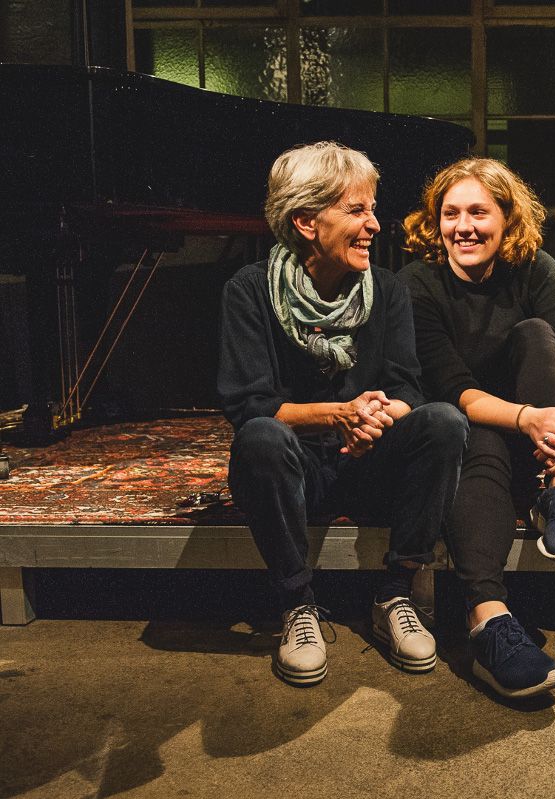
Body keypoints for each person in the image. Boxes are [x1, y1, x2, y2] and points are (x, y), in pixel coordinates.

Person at [218, 141, 468, 687]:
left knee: (444, 422)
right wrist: (339, 413)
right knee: (261, 437)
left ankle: (395, 594)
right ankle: (296, 605)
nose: (375, 224)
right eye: (357, 211)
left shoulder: (389, 291)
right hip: (294, 474)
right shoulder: (249, 291)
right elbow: (248, 405)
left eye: (372, 209)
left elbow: (407, 387)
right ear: (307, 222)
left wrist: (376, 417)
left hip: (367, 464)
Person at [401, 158, 555, 698]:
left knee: (540, 333)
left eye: (478, 212)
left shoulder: (535, 266)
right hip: (469, 442)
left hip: (540, 444)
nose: (463, 226)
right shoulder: (418, 282)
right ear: (435, 221)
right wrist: (527, 418)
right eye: (450, 213)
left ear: (508, 219)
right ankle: (489, 622)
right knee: (475, 434)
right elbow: (454, 389)